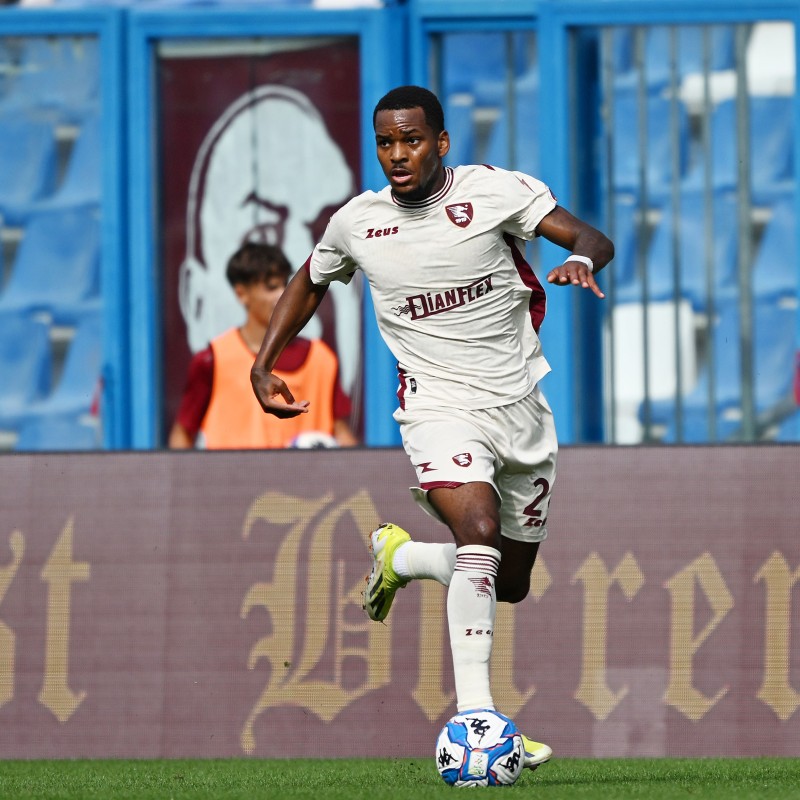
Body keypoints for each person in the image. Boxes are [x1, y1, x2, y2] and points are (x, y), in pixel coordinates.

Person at [250, 85, 614, 767]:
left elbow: (590, 235)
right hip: (437, 407)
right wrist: (263, 362)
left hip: (521, 407)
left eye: (411, 140)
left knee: (506, 580)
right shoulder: (357, 223)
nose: (397, 154)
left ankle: (404, 558)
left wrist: (582, 259)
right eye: (385, 142)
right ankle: (477, 719)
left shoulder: (496, 194)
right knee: (476, 532)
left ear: (441, 142)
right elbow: (308, 278)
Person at [169, 242, 357, 449]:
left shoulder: (322, 358)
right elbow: (183, 435)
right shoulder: (212, 359)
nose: (282, 294)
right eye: (271, 287)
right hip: (234, 481)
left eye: (285, 285)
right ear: (241, 293)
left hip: (306, 480)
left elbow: (342, 434)